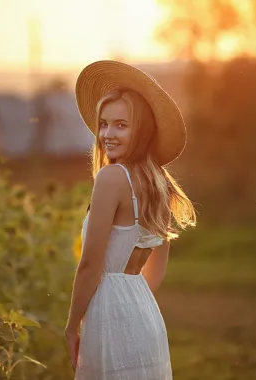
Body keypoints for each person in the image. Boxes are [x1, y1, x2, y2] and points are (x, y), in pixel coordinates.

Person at [65, 60, 197, 380]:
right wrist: (131, 299)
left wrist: (71, 326)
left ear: (141, 130)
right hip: (144, 313)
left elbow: (90, 266)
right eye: (104, 124)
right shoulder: (159, 183)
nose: (107, 134)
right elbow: (157, 270)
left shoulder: (111, 177)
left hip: (108, 313)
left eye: (121, 125)